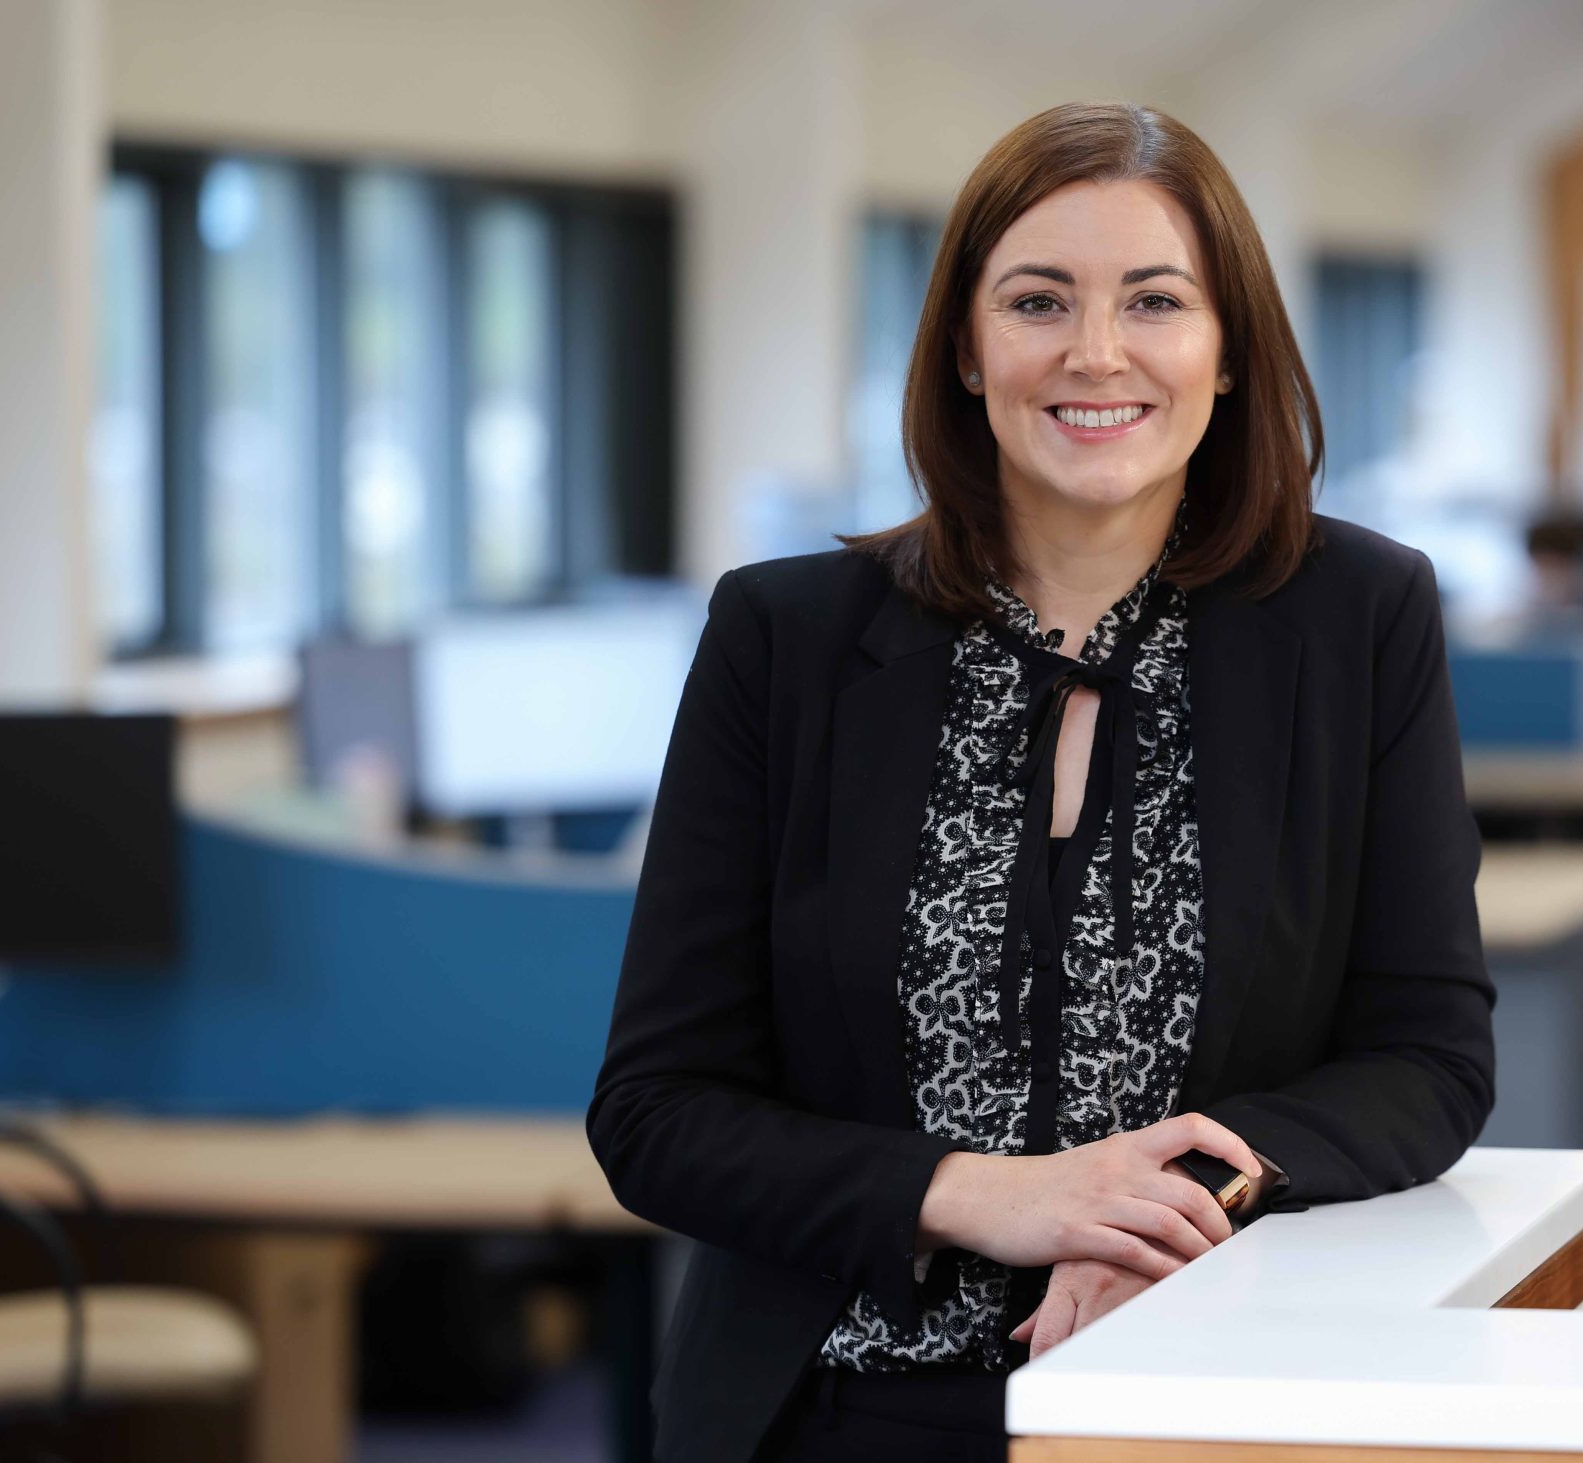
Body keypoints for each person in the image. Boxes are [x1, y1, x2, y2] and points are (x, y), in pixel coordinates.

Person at [587, 100, 1494, 1463]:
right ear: (964, 345)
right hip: (830, 1411)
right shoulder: (787, 638)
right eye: (1036, 301)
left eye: (1155, 300)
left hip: (1208, 1394)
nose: (1097, 353)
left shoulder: (1355, 620)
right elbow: (658, 1112)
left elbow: (1428, 1056)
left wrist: (1172, 1204)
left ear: (1229, 348)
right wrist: (979, 1194)